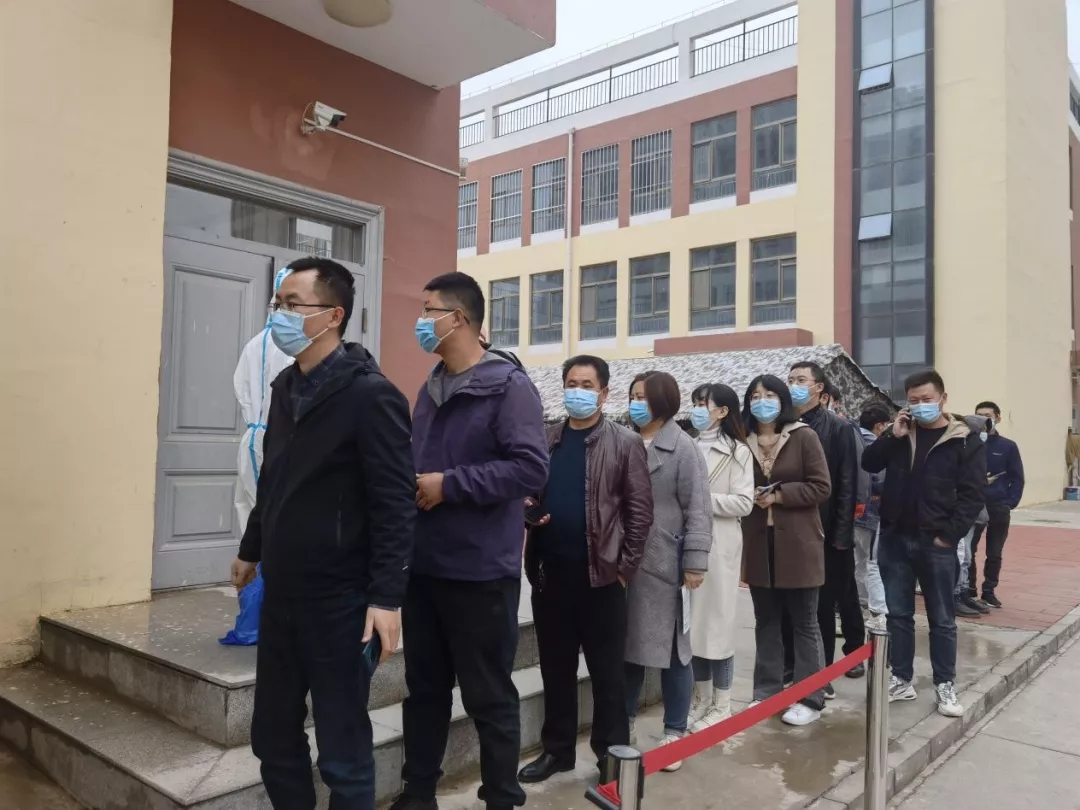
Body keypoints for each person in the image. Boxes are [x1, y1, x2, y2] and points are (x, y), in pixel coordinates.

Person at [233, 257, 416, 810]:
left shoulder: (372, 396)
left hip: (341, 601)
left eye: (293, 304)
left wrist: (386, 597)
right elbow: (274, 477)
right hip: (283, 594)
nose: (279, 315)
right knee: (271, 737)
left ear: (333, 316)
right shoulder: (286, 387)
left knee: (342, 752)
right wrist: (251, 548)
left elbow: (394, 504)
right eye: (278, 304)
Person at [395, 273, 550, 810]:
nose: (420, 320)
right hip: (425, 567)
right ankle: (418, 794)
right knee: (424, 692)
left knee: (489, 696)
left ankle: (501, 798)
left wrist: (450, 485)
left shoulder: (508, 386)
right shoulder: (431, 387)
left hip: (481, 571)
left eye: (428, 309)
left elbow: (530, 469)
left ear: (458, 318)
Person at [518, 355, 653, 784]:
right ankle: (557, 751)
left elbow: (640, 514)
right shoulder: (547, 439)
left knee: (607, 674)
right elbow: (527, 491)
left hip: (602, 579)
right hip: (549, 575)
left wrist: (624, 569)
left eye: (586, 385)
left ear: (603, 393)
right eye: (571, 383)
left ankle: (609, 756)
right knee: (555, 670)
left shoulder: (624, 443)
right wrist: (527, 509)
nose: (577, 391)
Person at [862, 369, 986, 718]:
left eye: (926, 399)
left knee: (942, 618)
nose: (920, 406)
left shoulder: (964, 440)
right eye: (913, 400)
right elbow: (869, 462)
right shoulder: (901, 433)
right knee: (898, 614)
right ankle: (902, 678)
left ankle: (945, 683)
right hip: (895, 538)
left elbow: (973, 495)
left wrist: (948, 536)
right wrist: (892, 434)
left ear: (943, 398)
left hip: (936, 543)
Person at [623, 371, 711, 770]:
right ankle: (622, 725)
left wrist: (695, 560)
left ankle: (675, 730)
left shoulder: (683, 448)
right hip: (623, 562)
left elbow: (699, 508)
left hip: (665, 564)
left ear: (663, 401)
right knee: (627, 651)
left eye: (644, 396)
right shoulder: (623, 441)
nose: (636, 403)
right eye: (633, 395)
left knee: (675, 652)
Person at [742, 375, 832, 726]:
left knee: (804, 621)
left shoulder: (803, 436)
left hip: (798, 542)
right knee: (766, 620)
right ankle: (766, 692)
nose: (761, 401)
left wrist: (780, 496)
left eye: (769, 395)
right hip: (758, 542)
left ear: (782, 401)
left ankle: (810, 696)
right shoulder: (743, 439)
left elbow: (821, 486)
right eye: (754, 396)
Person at [786, 363, 865, 691]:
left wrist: (842, 535)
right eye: (791, 380)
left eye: (801, 380)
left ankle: (826, 672)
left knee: (827, 603)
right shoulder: (784, 424)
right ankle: (794, 667)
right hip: (792, 530)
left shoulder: (838, 428)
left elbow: (847, 483)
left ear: (819, 388)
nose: (794, 385)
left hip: (828, 530)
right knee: (794, 606)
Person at [687, 384, 755, 733]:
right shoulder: (687, 444)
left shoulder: (737, 452)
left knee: (718, 627)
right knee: (693, 628)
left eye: (704, 404)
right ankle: (700, 699)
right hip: (687, 543)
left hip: (721, 545)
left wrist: (701, 499)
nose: (698, 409)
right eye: (696, 403)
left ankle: (722, 703)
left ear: (723, 411)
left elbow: (744, 502)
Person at [233, 266, 294, 531]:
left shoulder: (255, 344)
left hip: (256, 443)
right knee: (272, 522)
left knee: (254, 517)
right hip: (275, 444)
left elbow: (242, 388)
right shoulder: (295, 348)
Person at [969, 401, 1025, 608]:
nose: (984, 420)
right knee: (968, 550)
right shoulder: (968, 443)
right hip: (973, 505)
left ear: (998, 418)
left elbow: (1017, 477)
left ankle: (989, 591)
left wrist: (1010, 502)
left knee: (994, 552)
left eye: (988, 416)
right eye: (979, 415)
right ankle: (969, 590)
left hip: (998, 506)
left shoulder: (1007, 446)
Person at [856, 404, 892, 631]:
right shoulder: (875, 446)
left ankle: (861, 605)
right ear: (879, 426)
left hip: (853, 512)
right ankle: (878, 612)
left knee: (858, 561)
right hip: (872, 512)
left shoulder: (850, 439)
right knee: (873, 563)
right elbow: (880, 481)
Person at [954, 416, 994, 618]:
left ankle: (963, 592)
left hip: (974, 514)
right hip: (959, 513)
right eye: (982, 429)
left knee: (966, 557)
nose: (985, 434)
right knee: (960, 556)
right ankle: (954, 596)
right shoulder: (961, 448)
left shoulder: (978, 449)